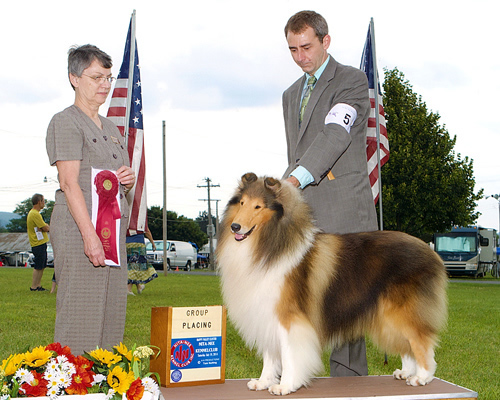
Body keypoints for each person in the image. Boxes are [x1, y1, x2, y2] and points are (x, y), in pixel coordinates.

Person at [282, 11, 378, 377]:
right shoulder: (291, 94)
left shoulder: (351, 81)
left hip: (344, 211)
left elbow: (335, 135)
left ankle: (350, 383)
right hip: (304, 213)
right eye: (292, 49)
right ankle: (303, 375)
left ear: (326, 41)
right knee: (304, 300)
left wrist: (294, 181)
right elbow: (297, 153)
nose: (300, 56)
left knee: (348, 302)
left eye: (306, 46)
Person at [46, 44, 135, 355]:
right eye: (97, 77)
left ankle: (107, 377)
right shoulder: (65, 121)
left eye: (108, 78)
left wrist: (127, 180)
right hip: (78, 229)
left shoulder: (112, 128)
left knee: (112, 307)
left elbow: (113, 184)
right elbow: (70, 184)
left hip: (112, 232)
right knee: (79, 308)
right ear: (74, 78)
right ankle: (72, 381)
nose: (105, 85)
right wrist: (90, 237)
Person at [27, 193, 50, 291]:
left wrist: (45, 227)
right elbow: (45, 227)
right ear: (39, 201)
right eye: (43, 201)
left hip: (40, 242)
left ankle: (38, 285)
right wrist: (47, 226)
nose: (44, 203)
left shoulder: (34, 213)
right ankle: (34, 286)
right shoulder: (35, 214)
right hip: (38, 243)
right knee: (38, 265)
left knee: (42, 265)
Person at [126, 225, 158, 295]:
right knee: (135, 265)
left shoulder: (127, 215)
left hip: (127, 243)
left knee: (131, 264)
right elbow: (147, 231)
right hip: (138, 243)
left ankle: (139, 286)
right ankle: (128, 289)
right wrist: (152, 243)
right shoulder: (141, 216)